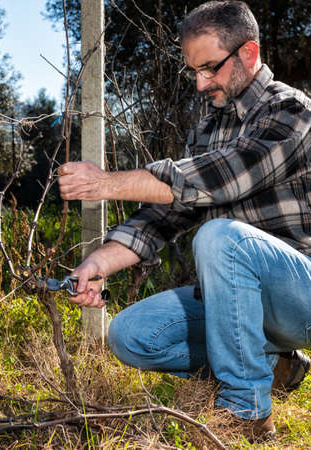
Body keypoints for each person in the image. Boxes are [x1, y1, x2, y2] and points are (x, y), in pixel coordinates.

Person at [58, 0, 311, 443]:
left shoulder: (291, 112)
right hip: (242, 302)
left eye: (210, 68)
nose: (200, 82)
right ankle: (275, 364)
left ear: (248, 55)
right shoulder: (207, 130)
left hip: (302, 297)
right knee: (131, 334)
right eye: (193, 70)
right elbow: (166, 212)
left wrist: (105, 183)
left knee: (220, 238)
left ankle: (246, 411)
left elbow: (221, 178)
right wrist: (97, 264)